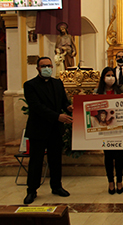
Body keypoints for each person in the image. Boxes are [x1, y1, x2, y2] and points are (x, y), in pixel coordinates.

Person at [23, 57, 73, 204]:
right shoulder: (30, 85)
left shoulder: (57, 83)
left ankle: (56, 186)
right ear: (38, 68)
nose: (47, 68)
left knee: (56, 160)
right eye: (44, 66)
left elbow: (63, 101)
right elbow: (37, 107)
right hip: (38, 129)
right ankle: (31, 190)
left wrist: (68, 107)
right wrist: (57, 116)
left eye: (49, 66)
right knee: (36, 161)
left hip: (55, 130)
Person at [95, 67, 123, 194]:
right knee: (108, 156)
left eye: (112, 75)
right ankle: (110, 181)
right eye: (108, 75)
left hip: (120, 129)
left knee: (119, 156)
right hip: (105, 129)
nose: (110, 78)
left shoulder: (122, 89)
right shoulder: (97, 91)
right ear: (103, 78)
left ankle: (119, 181)